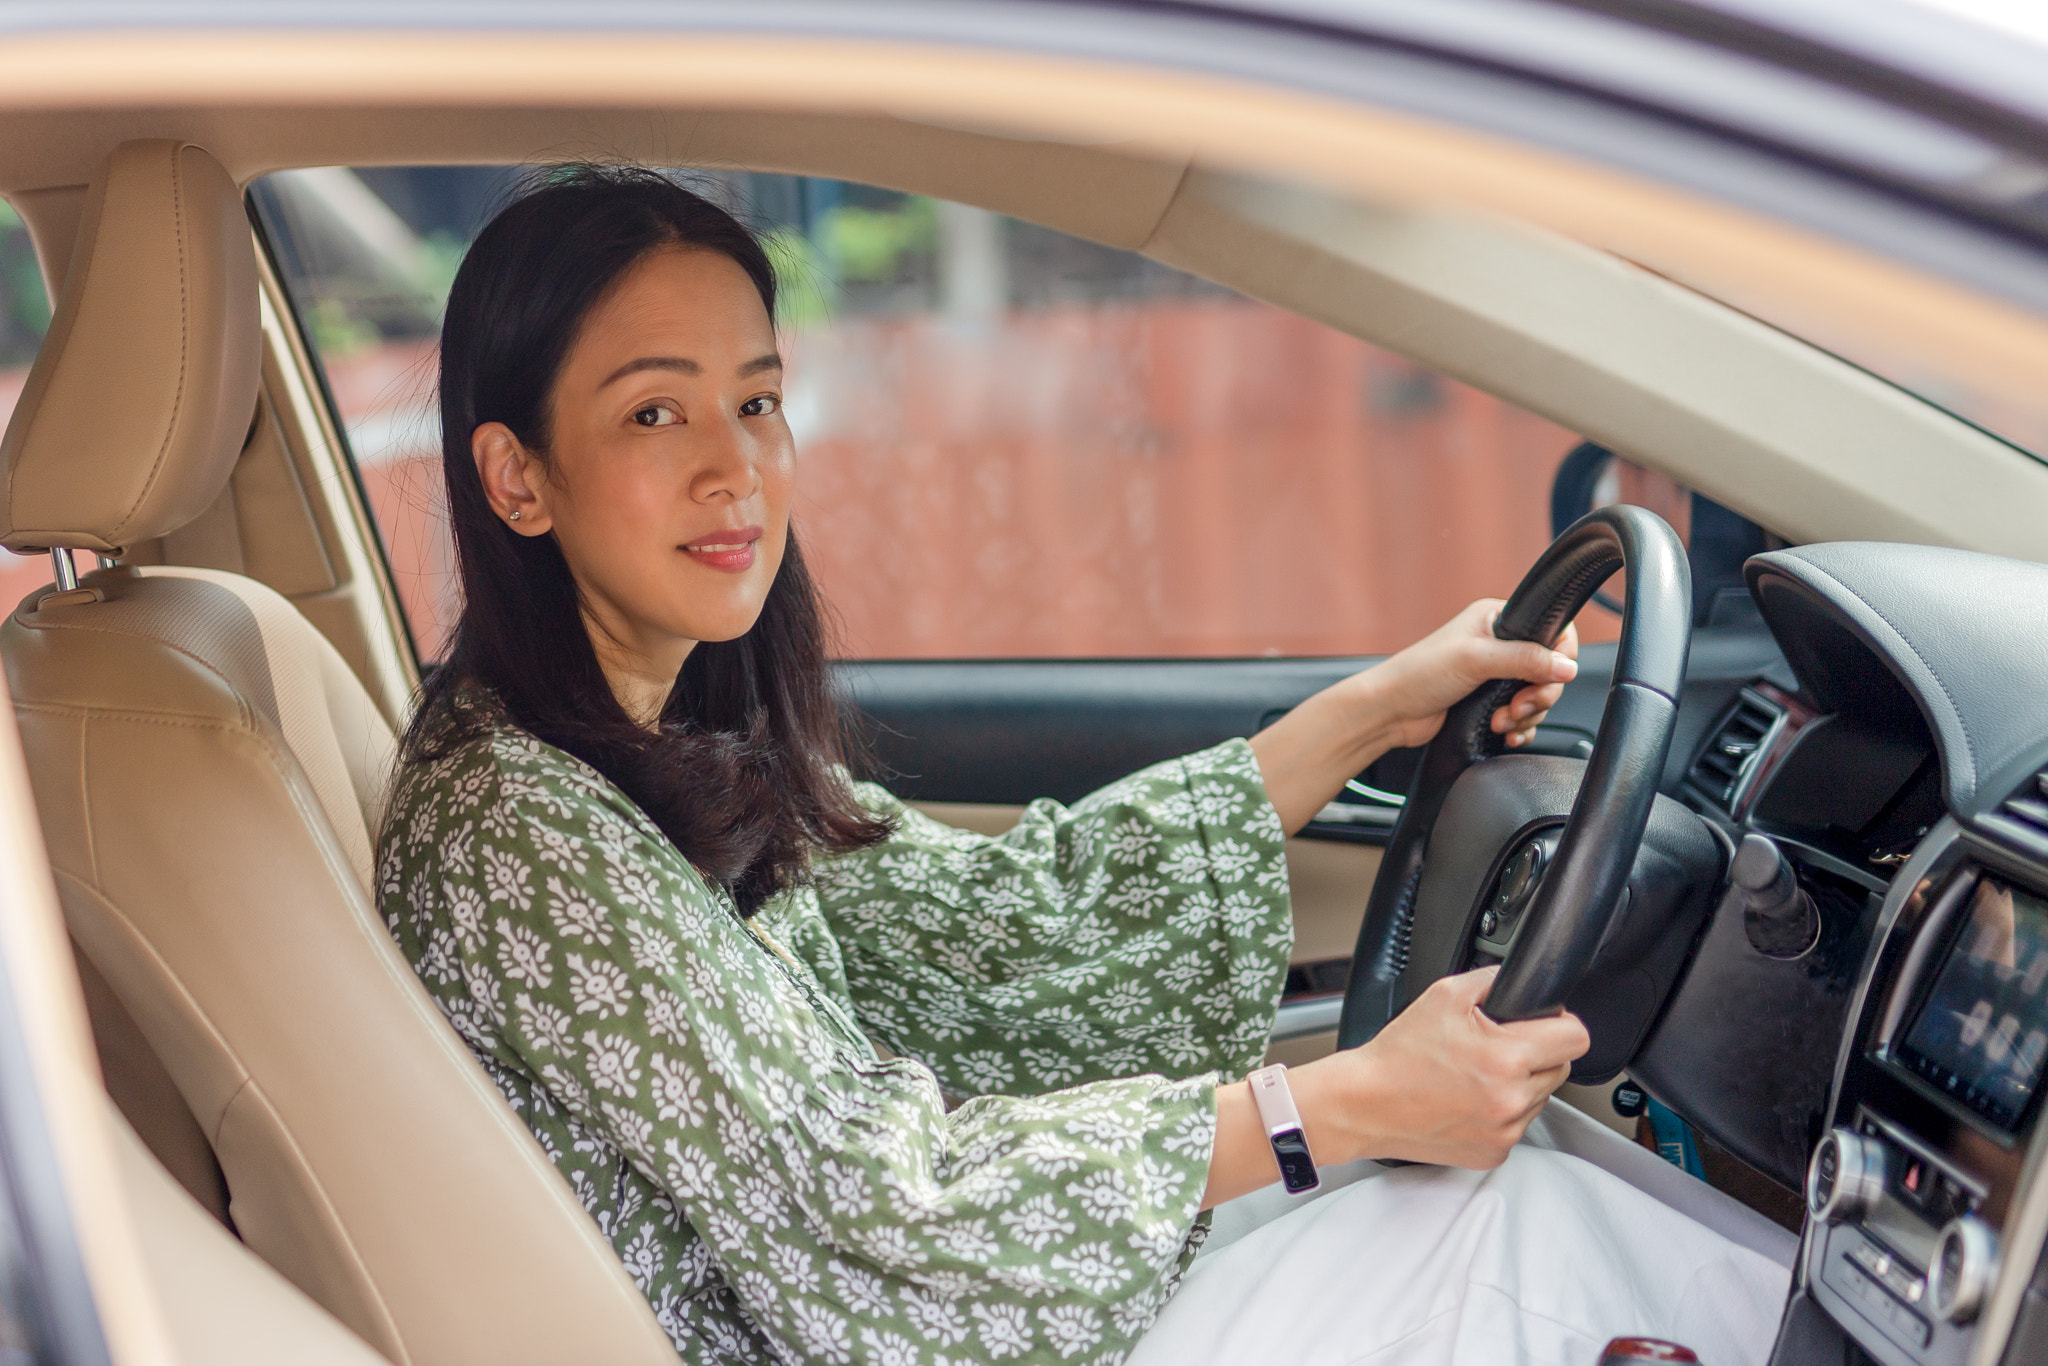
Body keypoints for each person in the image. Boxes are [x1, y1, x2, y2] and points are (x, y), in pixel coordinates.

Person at [378, 165, 1788, 1366]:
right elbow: (865, 1201)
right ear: (515, 477)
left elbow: (985, 921)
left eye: (756, 401)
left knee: (1521, 1188)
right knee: (1528, 1226)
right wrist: (1334, 1105)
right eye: (653, 413)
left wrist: (1370, 711)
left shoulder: (649, 742)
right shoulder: (518, 827)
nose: (735, 469)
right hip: (871, 1316)